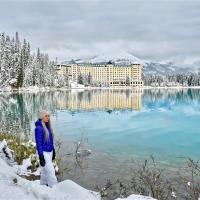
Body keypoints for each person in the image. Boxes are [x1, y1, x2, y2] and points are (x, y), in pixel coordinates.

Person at [35, 110, 58, 187]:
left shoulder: (48, 127)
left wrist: (53, 150)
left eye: (49, 116)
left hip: (50, 151)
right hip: (43, 153)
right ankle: (55, 190)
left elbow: (50, 141)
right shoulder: (38, 128)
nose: (48, 117)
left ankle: (43, 187)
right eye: (46, 116)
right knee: (51, 172)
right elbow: (39, 143)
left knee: (45, 172)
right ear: (41, 117)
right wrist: (41, 156)